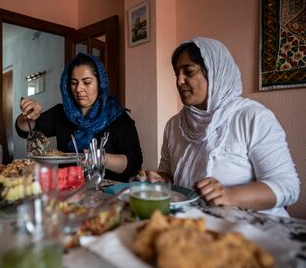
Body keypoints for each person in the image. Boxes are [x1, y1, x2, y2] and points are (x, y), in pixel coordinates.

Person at [155, 37, 299, 217]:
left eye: (189, 72)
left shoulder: (252, 117)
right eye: (177, 73)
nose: (179, 81)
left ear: (216, 73)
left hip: (254, 230)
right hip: (194, 224)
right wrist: (158, 180)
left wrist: (230, 195)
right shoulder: (175, 125)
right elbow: (167, 173)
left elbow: (288, 186)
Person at [16, 53, 143, 182]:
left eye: (87, 82)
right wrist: (29, 115)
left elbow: (134, 162)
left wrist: (99, 158)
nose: (79, 89)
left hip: (109, 192)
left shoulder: (117, 116)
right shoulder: (61, 112)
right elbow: (25, 131)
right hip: (69, 190)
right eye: (73, 83)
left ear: (100, 83)